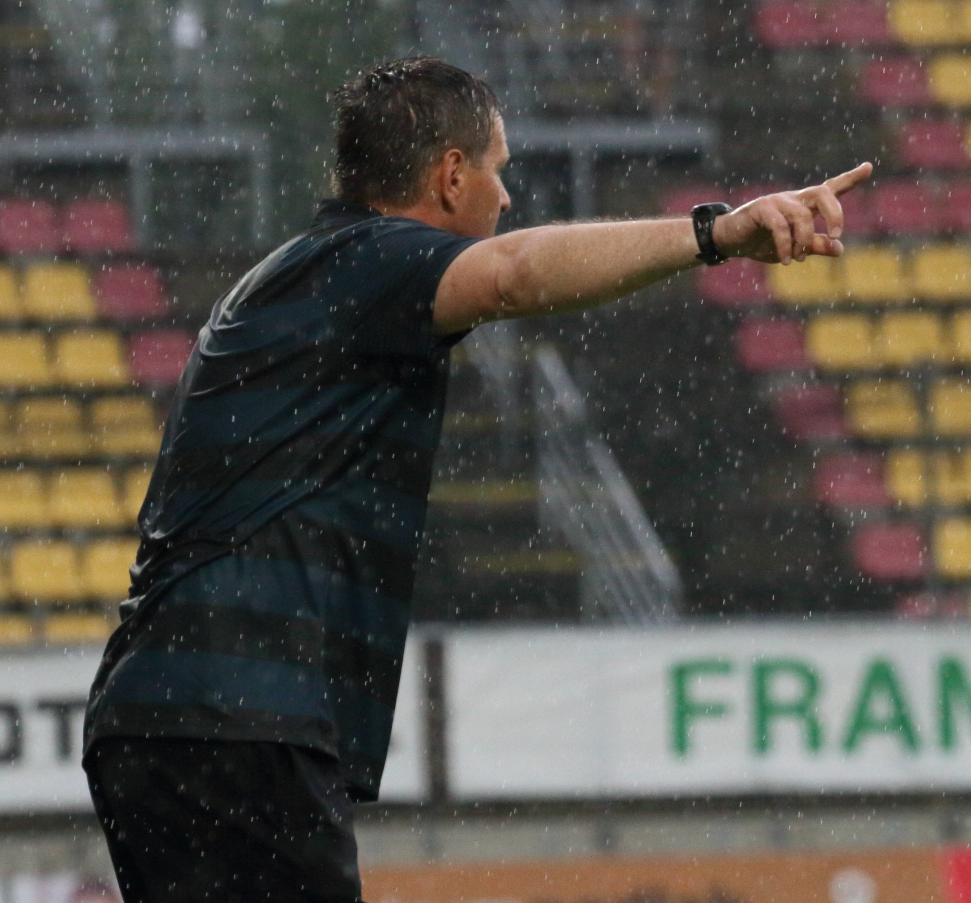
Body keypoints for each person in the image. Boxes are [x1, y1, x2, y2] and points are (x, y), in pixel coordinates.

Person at [82, 56, 872, 903]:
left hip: (176, 709)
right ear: (449, 175)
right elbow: (512, 274)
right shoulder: (367, 260)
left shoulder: (303, 274)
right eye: (497, 169)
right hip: (232, 708)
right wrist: (715, 233)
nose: (505, 197)